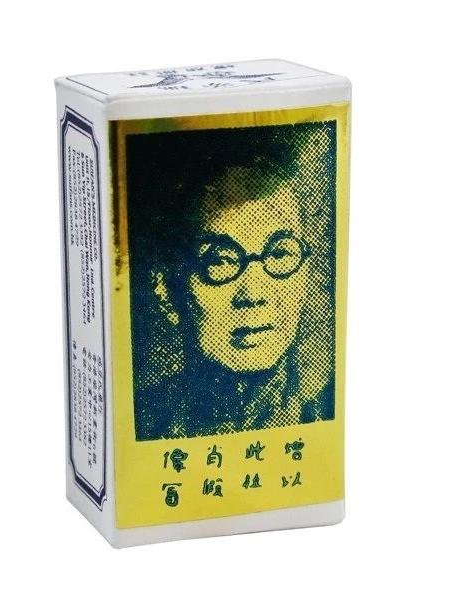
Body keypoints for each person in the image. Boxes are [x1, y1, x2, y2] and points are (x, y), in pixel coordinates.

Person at [131, 132, 335, 440]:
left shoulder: (323, 411)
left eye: (279, 255)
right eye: (220, 261)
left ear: (305, 275)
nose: (253, 294)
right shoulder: (145, 421)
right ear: (166, 289)